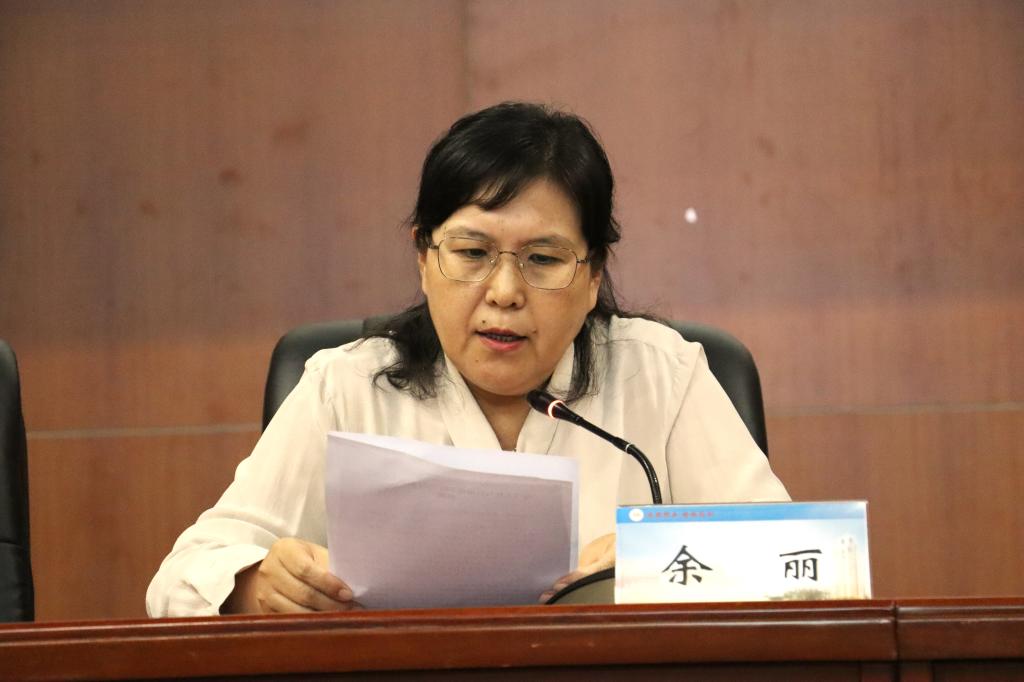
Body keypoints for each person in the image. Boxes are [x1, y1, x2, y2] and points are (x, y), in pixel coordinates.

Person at [146, 102, 789, 617]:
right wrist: (258, 585)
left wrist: (657, 559)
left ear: (593, 275)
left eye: (542, 259)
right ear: (424, 259)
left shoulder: (663, 377)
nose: (504, 292)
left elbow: (800, 564)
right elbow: (179, 580)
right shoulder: (347, 386)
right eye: (472, 253)